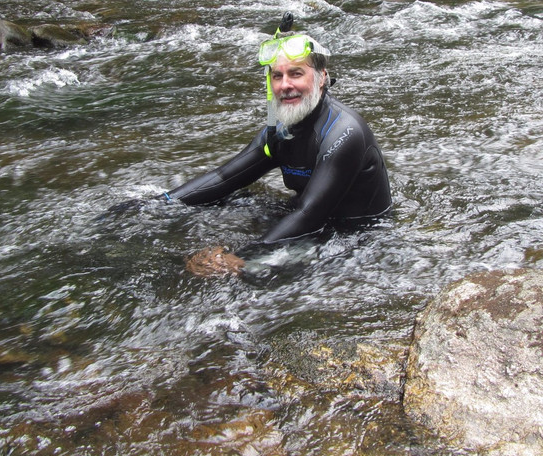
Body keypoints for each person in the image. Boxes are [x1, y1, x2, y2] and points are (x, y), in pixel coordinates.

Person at [165, 25, 391, 277]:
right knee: (234, 200)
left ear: (321, 77)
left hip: (355, 240)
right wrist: (161, 203)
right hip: (308, 220)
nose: (285, 85)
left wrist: (238, 258)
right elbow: (224, 178)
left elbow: (308, 214)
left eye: (296, 74)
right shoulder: (280, 129)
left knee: (244, 279)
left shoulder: (345, 132)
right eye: (277, 76)